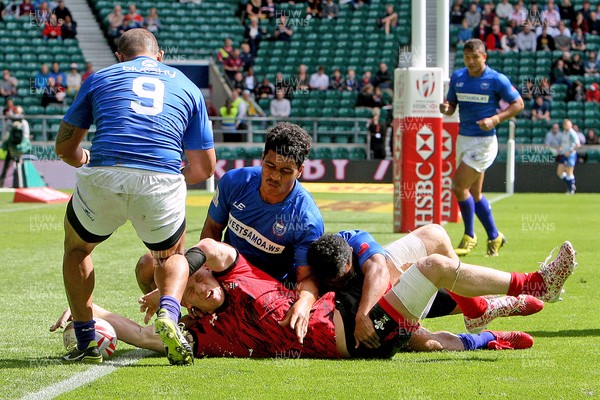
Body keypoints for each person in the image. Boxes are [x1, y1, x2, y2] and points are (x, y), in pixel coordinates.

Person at [52, 236, 570, 358]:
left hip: (345, 303)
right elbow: (139, 333)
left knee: (428, 332)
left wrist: (180, 269)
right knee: (434, 266)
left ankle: (486, 333)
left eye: (194, 275)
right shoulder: (196, 333)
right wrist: (89, 312)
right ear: (177, 302)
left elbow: (211, 246)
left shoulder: (235, 270)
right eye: (189, 289)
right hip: (357, 337)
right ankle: (530, 284)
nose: (201, 283)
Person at [54, 29, 216, 365]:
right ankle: (169, 313)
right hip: (160, 179)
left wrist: (84, 159)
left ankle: (85, 339)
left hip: (104, 174)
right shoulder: (186, 85)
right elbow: (204, 168)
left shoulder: (100, 77)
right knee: (170, 256)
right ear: (159, 56)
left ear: (119, 57)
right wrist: (169, 176)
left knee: (78, 248)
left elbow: (64, 149)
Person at [137, 122, 323, 344]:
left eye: (285, 171)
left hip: (263, 289)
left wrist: (304, 302)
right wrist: (204, 276)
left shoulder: (306, 217)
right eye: (270, 166)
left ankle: (191, 316)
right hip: (223, 271)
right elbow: (212, 231)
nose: (274, 176)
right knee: (149, 263)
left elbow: (308, 278)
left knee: (175, 280)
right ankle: (175, 311)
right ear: (262, 157)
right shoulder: (235, 182)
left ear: (300, 171)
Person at [307, 232, 575, 357]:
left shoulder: (351, 241)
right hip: (384, 310)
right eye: (336, 281)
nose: (343, 281)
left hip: (381, 295)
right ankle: (484, 336)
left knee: (435, 235)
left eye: (346, 274)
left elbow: (378, 267)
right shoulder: (328, 290)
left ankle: (489, 304)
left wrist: (365, 313)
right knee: (423, 341)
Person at [440, 39, 524, 257]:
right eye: (467, 57)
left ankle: (469, 236)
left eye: (475, 57)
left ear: (484, 57)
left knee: (458, 186)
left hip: (484, 141)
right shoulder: (458, 77)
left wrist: (495, 119)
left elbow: (518, 104)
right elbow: (452, 108)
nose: (471, 62)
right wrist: (446, 107)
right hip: (464, 139)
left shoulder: (496, 79)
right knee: (475, 194)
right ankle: (495, 236)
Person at [556, 119, 580, 195]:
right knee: (559, 172)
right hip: (563, 154)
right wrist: (561, 148)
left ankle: (571, 189)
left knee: (569, 172)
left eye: (569, 124)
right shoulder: (564, 133)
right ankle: (571, 185)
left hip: (571, 155)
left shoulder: (572, 133)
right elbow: (563, 144)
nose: (567, 126)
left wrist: (569, 152)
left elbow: (577, 145)